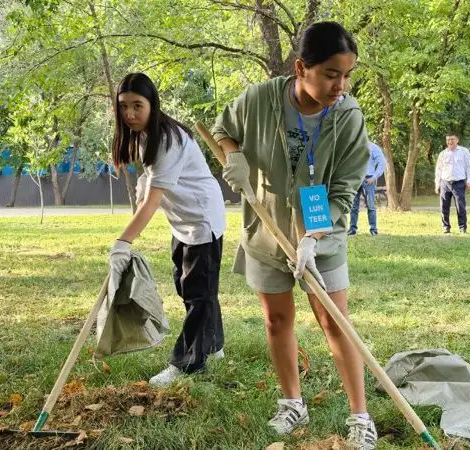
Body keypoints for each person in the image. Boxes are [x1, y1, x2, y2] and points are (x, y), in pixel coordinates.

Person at [212, 21, 377, 449]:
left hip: (322, 236)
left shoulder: (348, 117)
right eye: (330, 74)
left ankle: (360, 415)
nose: (340, 85)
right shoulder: (259, 99)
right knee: (277, 319)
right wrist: (234, 158)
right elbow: (222, 130)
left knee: (334, 322)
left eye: (347, 75)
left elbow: (343, 190)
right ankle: (293, 404)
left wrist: (313, 237)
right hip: (266, 232)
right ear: (302, 67)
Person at [107, 73, 226, 388]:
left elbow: (151, 206)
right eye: (124, 106)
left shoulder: (168, 139)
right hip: (182, 218)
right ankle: (213, 345)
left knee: (199, 293)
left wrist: (122, 242)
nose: (130, 114)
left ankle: (187, 364)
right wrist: (145, 183)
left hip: (202, 217)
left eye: (138, 105)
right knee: (188, 286)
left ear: (152, 104)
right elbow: (152, 175)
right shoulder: (146, 133)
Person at [434, 134, 470, 234]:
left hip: (459, 183)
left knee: (461, 207)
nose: (450, 141)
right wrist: (437, 184)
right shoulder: (442, 154)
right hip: (445, 183)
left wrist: (469, 181)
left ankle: (462, 227)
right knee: (444, 207)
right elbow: (438, 170)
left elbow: (469, 167)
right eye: (448, 139)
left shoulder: (464, 152)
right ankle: (446, 227)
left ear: (457, 140)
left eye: (452, 139)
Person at [348, 142, 386, 236]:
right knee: (353, 206)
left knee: (371, 205)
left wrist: (374, 177)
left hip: (368, 179)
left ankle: (373, 229)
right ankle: (352, 229)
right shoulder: (354, 146)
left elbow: (382, 162)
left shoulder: (373, 147)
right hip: (356, 179)